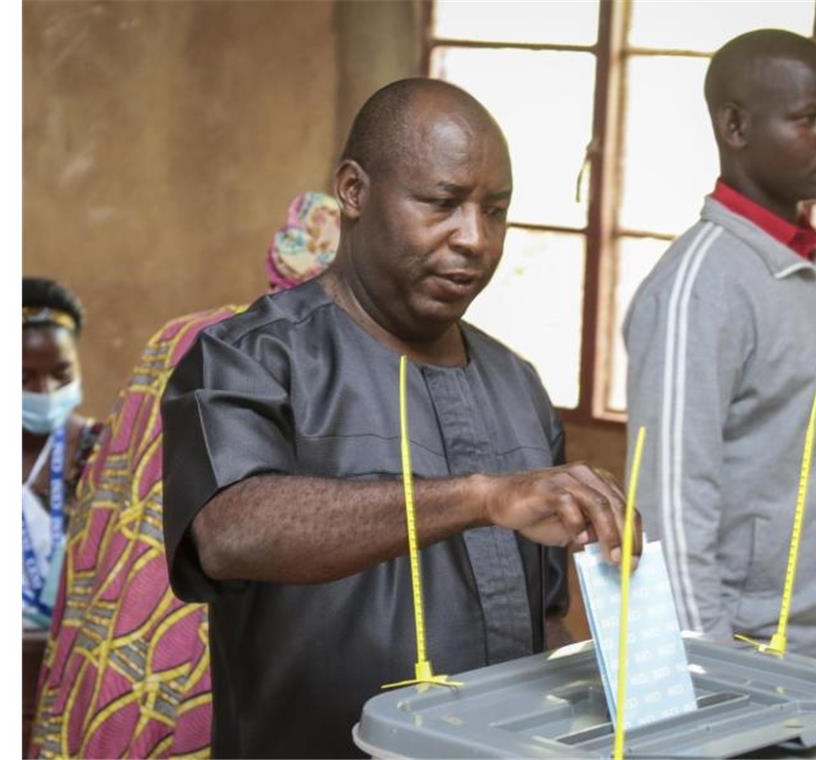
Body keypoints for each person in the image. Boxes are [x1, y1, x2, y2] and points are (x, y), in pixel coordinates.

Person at [161, 78, 638, 758]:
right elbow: (229, 530)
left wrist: (616, 704)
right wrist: (481, 497)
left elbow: (541, 622)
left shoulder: (517, 384)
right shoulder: (251, 357)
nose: (475, 238)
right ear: (353, 191)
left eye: (495, 210)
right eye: (443, 204)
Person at [28, 192, 341, 759]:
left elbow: (106, 500)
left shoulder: (182, 337)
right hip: (241, 639)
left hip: (130, 625)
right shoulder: (336, 370)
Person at [623, 29, 816, 669]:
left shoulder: (807, 265)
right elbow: (670, 511)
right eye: (806, 118)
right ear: (735, 126)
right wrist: (712, 682)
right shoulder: (701, 287)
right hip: (759, 674)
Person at [22, 276, 103, 630]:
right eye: (23, 377)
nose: (46, 390)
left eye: (62, 373)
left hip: (75, 659)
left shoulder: (101, 451)